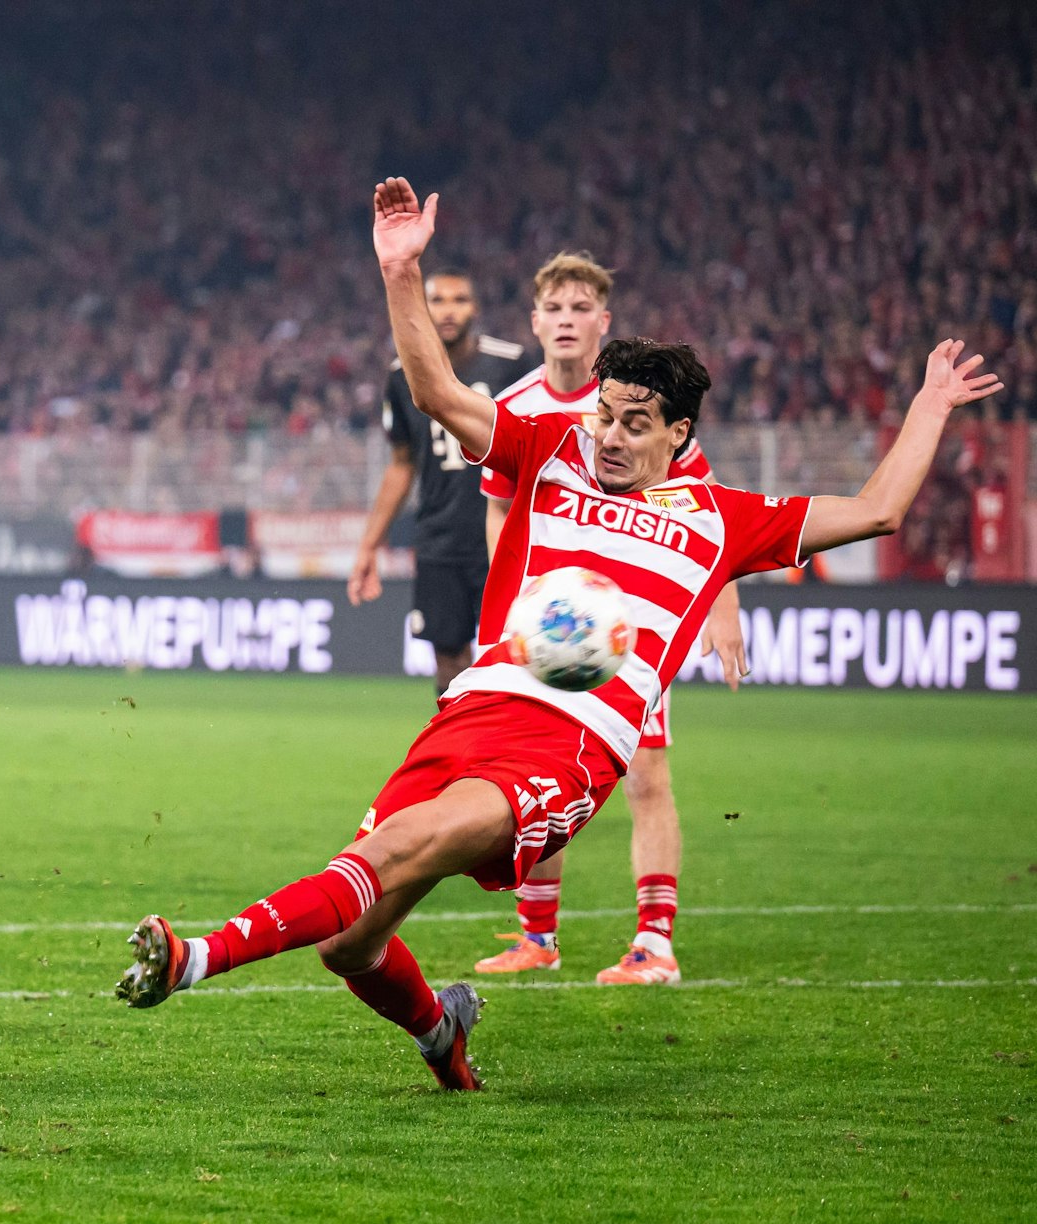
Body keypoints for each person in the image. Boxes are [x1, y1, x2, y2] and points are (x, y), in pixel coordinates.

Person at [116, 177, 999, 1093]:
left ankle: (193, 957)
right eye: (604, 414)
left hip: (571, 740)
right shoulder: (547, 453)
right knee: (350, 941)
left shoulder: (723, 518)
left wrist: (930, 406)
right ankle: (442, 1032)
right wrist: (400, 271)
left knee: (389, 854)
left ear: (679, 430)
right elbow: (433, 390)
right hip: (475, 709)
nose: (609, 436)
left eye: (634, 423)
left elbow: (879, 509)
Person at [473, 253, 747, 985]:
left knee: (646, 774)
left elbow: (709, 514)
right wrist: (520, 604)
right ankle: (538, 936)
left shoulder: (641, 406)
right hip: (550, 628)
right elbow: (499, 512)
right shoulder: (519, 406)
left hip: (634, 622)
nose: (566, 320)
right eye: (553, 308)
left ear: (603, 322)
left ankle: (654, 943)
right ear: (536, 322)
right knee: (534, 773)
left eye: (579, 307)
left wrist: (726, 606)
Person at [347, 268, 531, 696]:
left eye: (459, 299)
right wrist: (368, 545)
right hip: (439, 540)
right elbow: (401, 464)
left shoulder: (514, 364)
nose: (448, 311)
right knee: (449, 663)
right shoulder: (400, 374)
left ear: (476, 308)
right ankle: (459, 760)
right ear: (423, 308)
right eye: (438, 300)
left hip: (504, 536)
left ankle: (506, 760)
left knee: (514, 660)